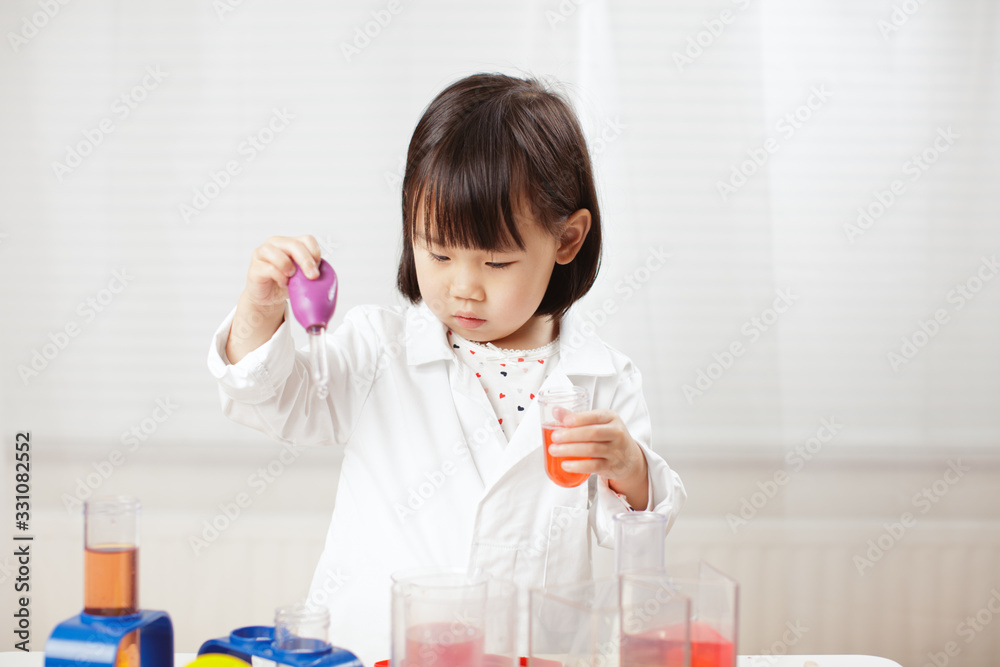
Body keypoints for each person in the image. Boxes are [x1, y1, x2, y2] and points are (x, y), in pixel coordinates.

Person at [207, 72, 685, 664]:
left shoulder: (605, 381)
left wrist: (630, 468)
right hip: (375, 651)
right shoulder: (377, 350)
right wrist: (260, 309)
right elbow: (273, 400)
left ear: (567, 239)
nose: (464, 288)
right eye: (437, 252)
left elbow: (636, 535)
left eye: (496, 262)